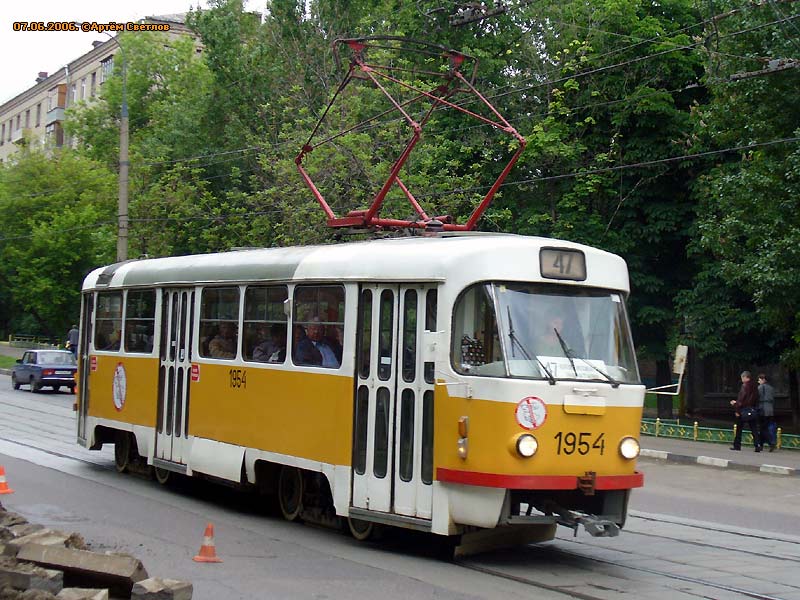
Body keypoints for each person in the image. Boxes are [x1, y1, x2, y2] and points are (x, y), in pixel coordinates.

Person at [730, 370, 761, 451]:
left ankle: (737, 445)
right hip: (752, 410)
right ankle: (757, 445)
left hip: (743, 410)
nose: (742, 379)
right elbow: (756, 398)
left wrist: (736, 406)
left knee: (739, 428)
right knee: (754, 428)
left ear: (745, 377)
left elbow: (741, 399)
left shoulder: (745, 386)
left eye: (742, 378)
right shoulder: (755, 386)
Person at [757, 373, 777, 452]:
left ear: (763, 380)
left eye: (759, 380)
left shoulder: (760, 387)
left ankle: (770, 443)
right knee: (766, 427)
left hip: (763, 410)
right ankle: (761, 444)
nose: (758, 382)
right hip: (770, 410)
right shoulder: (771, 388)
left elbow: (757, 397)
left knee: (762, 428)